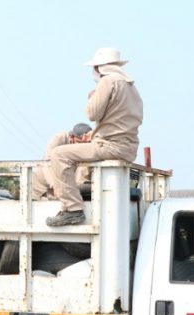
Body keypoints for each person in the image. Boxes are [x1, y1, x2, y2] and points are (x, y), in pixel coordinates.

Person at [46, 48, 143, 226]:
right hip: (128, 147)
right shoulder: (131, 86)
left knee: (58, 154)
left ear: (99, 68)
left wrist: (92, 96)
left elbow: (92, 114)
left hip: (111, 146)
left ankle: (73, 209)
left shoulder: (107, 82)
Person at [31, 123, 92, 201]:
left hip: (66, 186)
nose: (82, 146)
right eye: (80, 142)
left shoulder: (86, 147)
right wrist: (55, 185)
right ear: (72, 137)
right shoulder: (61, 138)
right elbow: (47, 163)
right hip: (42, 187)